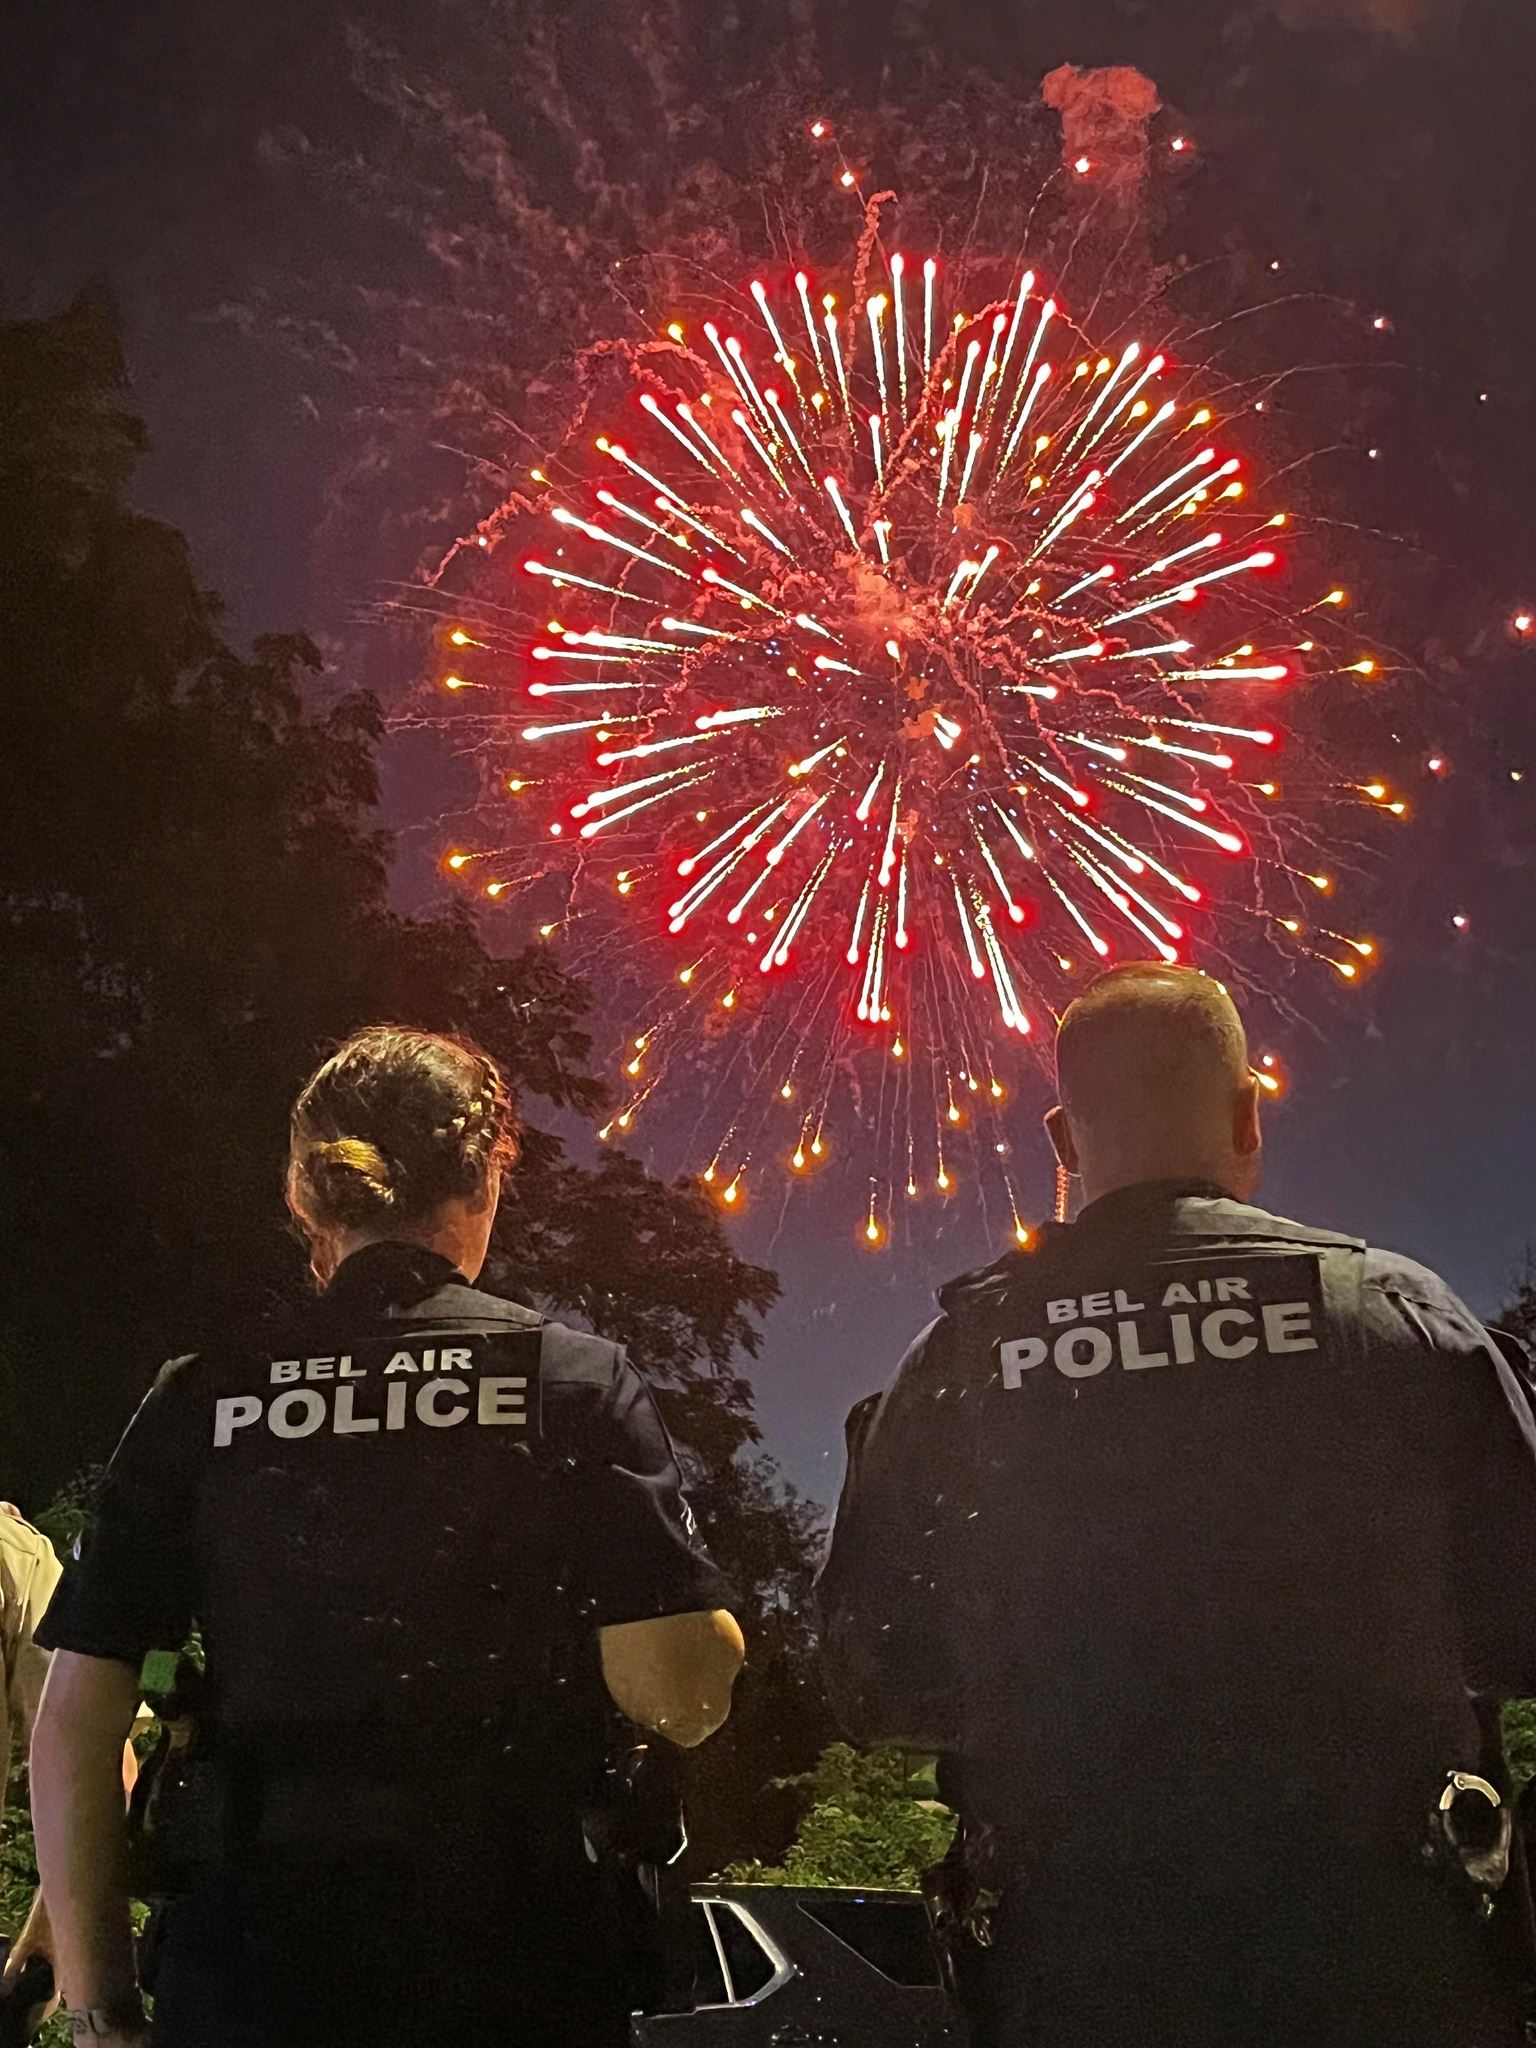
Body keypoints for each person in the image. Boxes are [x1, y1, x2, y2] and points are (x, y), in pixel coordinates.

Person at [818, 961, 1536, 2048]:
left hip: (1083, 1965)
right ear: (1249, 1111)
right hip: (1388, 1954)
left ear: (1065, 1140)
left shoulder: (964, 1357)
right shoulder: (1393, 1312)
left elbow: (873, 1671)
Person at [31, 1024, 745, 2048]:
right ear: (484, 1184)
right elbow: (678, 1695)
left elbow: (77, 1718)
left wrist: (99, 2004)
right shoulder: (570, 1383)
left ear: (305, 1196)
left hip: (248, 1968)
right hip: (514, 1961)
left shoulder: (203, 1395)